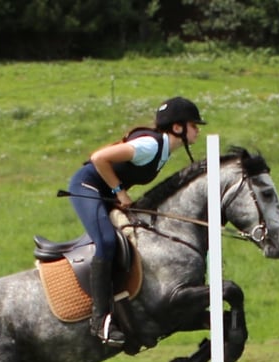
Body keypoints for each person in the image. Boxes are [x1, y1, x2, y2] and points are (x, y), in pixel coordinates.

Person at [68, 96, 206, 347]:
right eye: (193, 125)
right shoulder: (150, 147)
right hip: (86, 187)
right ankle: (100, 322)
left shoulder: (164, 150)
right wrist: (120, 192)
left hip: (105, 192)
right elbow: (99, 158)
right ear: (177, 127)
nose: (197, 130)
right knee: (107, 242)